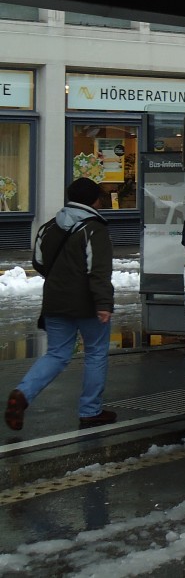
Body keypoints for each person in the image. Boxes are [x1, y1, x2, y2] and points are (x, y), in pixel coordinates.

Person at [5, 177, 117, 432]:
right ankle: (90, 411)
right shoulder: (94, 229)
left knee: (57, 354)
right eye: (100, 198)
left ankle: (22, 394)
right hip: (88, 303)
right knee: (96, 353)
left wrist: (61, 279)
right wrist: (104, 304)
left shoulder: (48, 227)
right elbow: (98, 271)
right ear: (93, 200)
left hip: (55, 300)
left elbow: (39, 262)